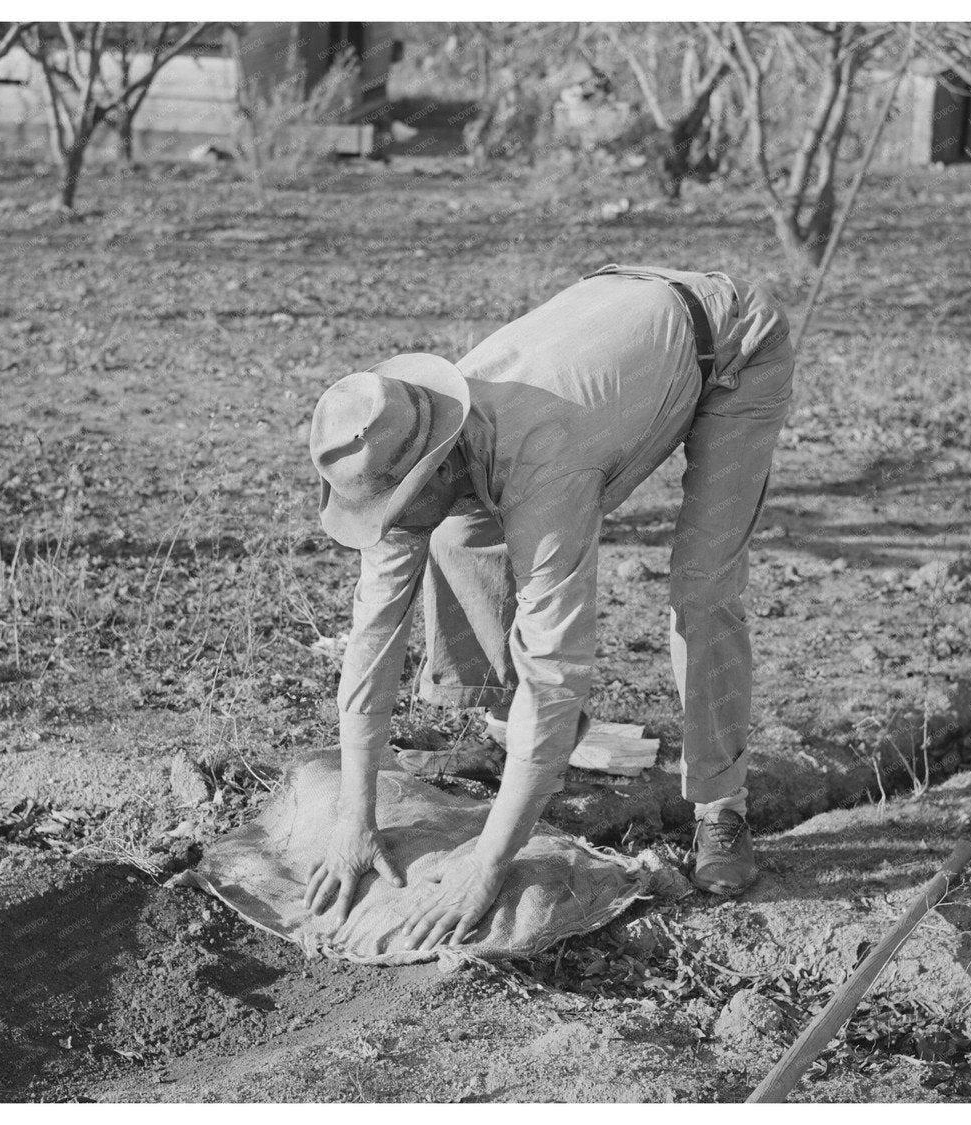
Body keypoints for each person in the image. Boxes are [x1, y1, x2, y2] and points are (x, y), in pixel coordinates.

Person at [302, 264, 795, 952]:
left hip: (732, 342)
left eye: (397, 504)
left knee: (704, 586)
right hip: (624, 311)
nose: (390, 523)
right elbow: (373, 630)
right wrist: (355, 814)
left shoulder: (543, 465)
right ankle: (507, 719)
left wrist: (487, 862)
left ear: (440, 465)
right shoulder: (407, 432)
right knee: (451, 529)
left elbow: (555, 668)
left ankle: (722, 806)